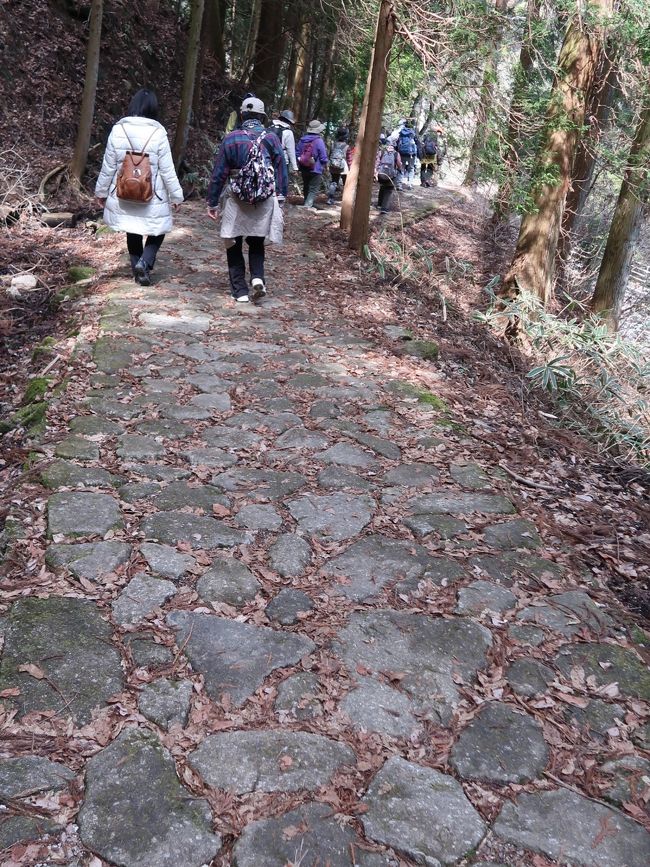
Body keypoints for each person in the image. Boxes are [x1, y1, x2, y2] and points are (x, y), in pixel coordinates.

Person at [95, 88, 183, 286]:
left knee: (132, 229)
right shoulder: (158, 133)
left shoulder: (119, 130)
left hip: (123, 191)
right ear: (153, 108)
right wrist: (177, 196)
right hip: (152, 193)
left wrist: (101, 192)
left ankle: (138, 268)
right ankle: (144, 262)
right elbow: (167, 169)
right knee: (157, 230)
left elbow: (108, 166)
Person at [206, 96, 287, 303]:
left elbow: (219, 173)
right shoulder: (271, 139)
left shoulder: (231, 138)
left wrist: (212, 202)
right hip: (263, 198)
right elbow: (281, 170)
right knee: (256, 241)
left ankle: (240, 291)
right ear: (262, 117)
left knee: (233, 242)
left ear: (241, 115)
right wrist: (281, 197)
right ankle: (258, 278)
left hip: (236, 196)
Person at [296, 120, 328, 209]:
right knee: (313, 187)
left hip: (303, 167)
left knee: (306, 185)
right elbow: (323, 156)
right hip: (316, 168)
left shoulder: (302, 140)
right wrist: (324, 164)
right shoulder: (319, 141)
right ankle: (308, 205)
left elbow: (297, 153)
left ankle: (307, 202)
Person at [375, 134, 402, 214]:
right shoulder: (396, 153)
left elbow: (377, 162)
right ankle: (384, 208)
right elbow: (399, 164)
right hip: (391, 175)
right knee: (389, 189)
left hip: (381, 174)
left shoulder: (382, 152)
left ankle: (379, 204)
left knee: (382, 187)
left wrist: (376, 172)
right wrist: (400, 169)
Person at [268, 109, 298, 174]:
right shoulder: (288, 132)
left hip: (268, 158)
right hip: (282, 161)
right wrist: (295, 167)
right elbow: (291, 151)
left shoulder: (270, 127)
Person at [327, 127, 351, 205]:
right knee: (346, 182)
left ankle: (330, 199)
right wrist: (350, 167)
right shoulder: (347, 146)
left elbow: (330, 154)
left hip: (333, 165)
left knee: (334, 181)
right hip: (343, 166)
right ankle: (346, 199)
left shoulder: (333, 144)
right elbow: (349, 158)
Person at [396, 120, 419, 189]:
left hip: (402, 153)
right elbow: (417, 142)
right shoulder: (413, 133)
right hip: (411, 154)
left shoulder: (401, 132)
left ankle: (399, 184)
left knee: (401, 167)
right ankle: (410, 184)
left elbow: (397, 142)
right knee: (411, 168)